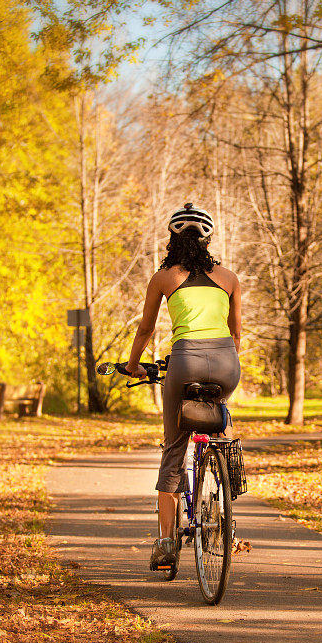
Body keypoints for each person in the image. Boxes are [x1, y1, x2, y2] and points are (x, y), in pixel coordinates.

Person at [126, 203, 241, 568]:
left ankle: (165, 544)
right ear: (209, 240)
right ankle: (227, 471)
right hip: (226, 362)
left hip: (184, 360)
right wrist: (223, 359)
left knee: (174, 449)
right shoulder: (229, 277)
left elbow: (146, 329)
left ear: (172, 238)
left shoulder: (163, 278)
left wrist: (132, 366)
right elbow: (237, 333)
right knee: (222, 418)